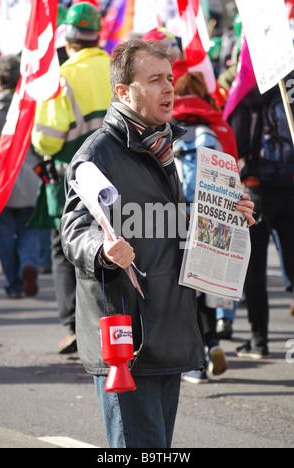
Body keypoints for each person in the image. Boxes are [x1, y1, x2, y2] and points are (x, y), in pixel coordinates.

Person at [60, 39, 255, 448]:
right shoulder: (99, 154)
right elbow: (74, 229)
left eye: (170, 79)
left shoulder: (166, 145)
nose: (169, 88)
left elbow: (170, 226)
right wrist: (101, 249)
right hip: (127, 339)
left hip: (169, 330)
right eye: (155, 80)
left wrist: (228, 213)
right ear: (123, 92)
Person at [31, 2, 112, 354]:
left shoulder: (61, 75)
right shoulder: (117, 67)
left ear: (68, 36)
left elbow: (47, 137)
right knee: (113, 244)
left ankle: (72, 326)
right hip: (116, 174)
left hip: (71, 178)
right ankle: (113, 322)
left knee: (64, 246)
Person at [172, 71, 238, 382]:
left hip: (177, 217)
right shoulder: (214, 130)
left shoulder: (168, 130)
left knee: (185, 290)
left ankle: (194, 364)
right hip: (214, 215)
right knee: (208, 285)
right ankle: (212, 343)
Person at [228, 82, 294, 359]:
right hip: (290, 188)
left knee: (255, 271)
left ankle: (259, 343)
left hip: (254, 191)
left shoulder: (247, 96)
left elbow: (238, 143)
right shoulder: (289, 91)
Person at [0, 55, 40, 298]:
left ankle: (13, 284)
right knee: (29, 230)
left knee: (3, 237)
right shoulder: (31, 106)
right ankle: (28, 264)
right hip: (30, 180)